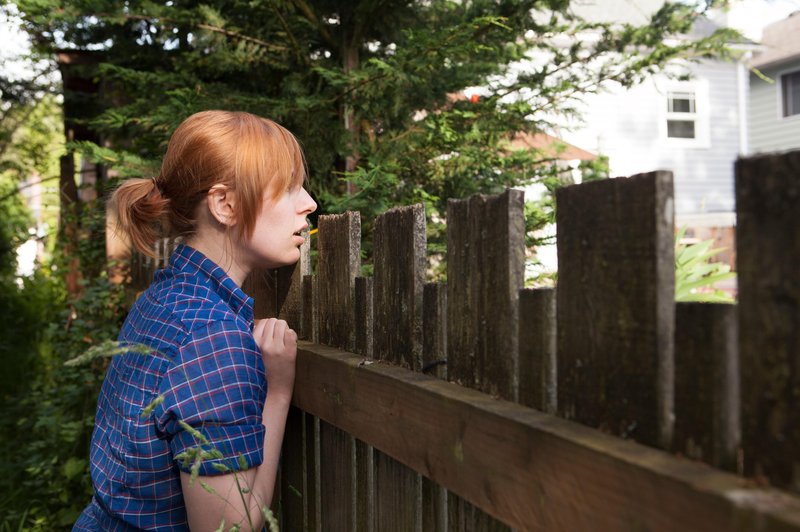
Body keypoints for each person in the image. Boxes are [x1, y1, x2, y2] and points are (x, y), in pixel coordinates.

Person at [74, 110, 317, 531]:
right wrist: (277, 394)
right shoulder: (214, 340)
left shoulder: (165, 296)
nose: (309, 203)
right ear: (225, 205)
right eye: (289, 188)